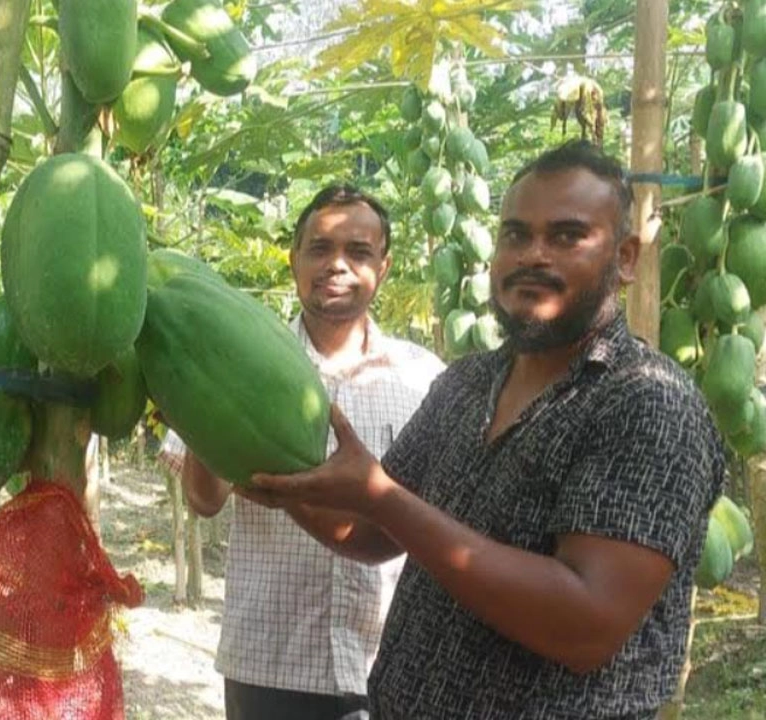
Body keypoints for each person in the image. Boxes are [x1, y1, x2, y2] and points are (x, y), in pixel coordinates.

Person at [248, 141, 725, 719]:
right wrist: (276, 479)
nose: (533, 255)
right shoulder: (467, 383)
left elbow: (585, 624)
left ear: (624, 259)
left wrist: (380, 496)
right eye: (516, 235)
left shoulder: (649, 404)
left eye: (567, 236)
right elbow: (372, 533)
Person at [162, 185, 444, 720]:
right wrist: (199, 397)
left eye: (358, 252)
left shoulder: (424, 378)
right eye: (319, 248)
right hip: (271, 663)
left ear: (382, 268)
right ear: (293, 261)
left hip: (384, 663)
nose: (336, 264)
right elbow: (204, 500)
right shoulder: (235, 356)